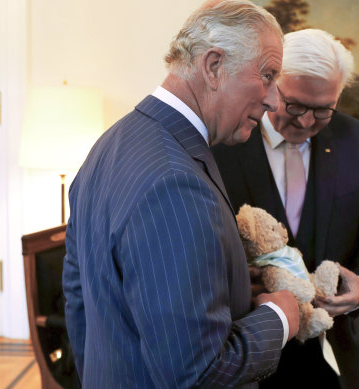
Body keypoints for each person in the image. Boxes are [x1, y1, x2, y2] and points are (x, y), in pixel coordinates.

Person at [62, 1, 301, 387]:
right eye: (268, 75)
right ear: (213, 66)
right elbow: (198, 371)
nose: (275, 100)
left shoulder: (112, 142)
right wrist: (280, 318)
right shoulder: (176, 181)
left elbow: (81, 303)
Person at [212, 28, 359, 389]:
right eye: (294, 105)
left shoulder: (356, 139)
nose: (307, 122)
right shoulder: (222, 138)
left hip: (334, 355)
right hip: (245, 353)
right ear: (270, 81)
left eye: (324, 110)